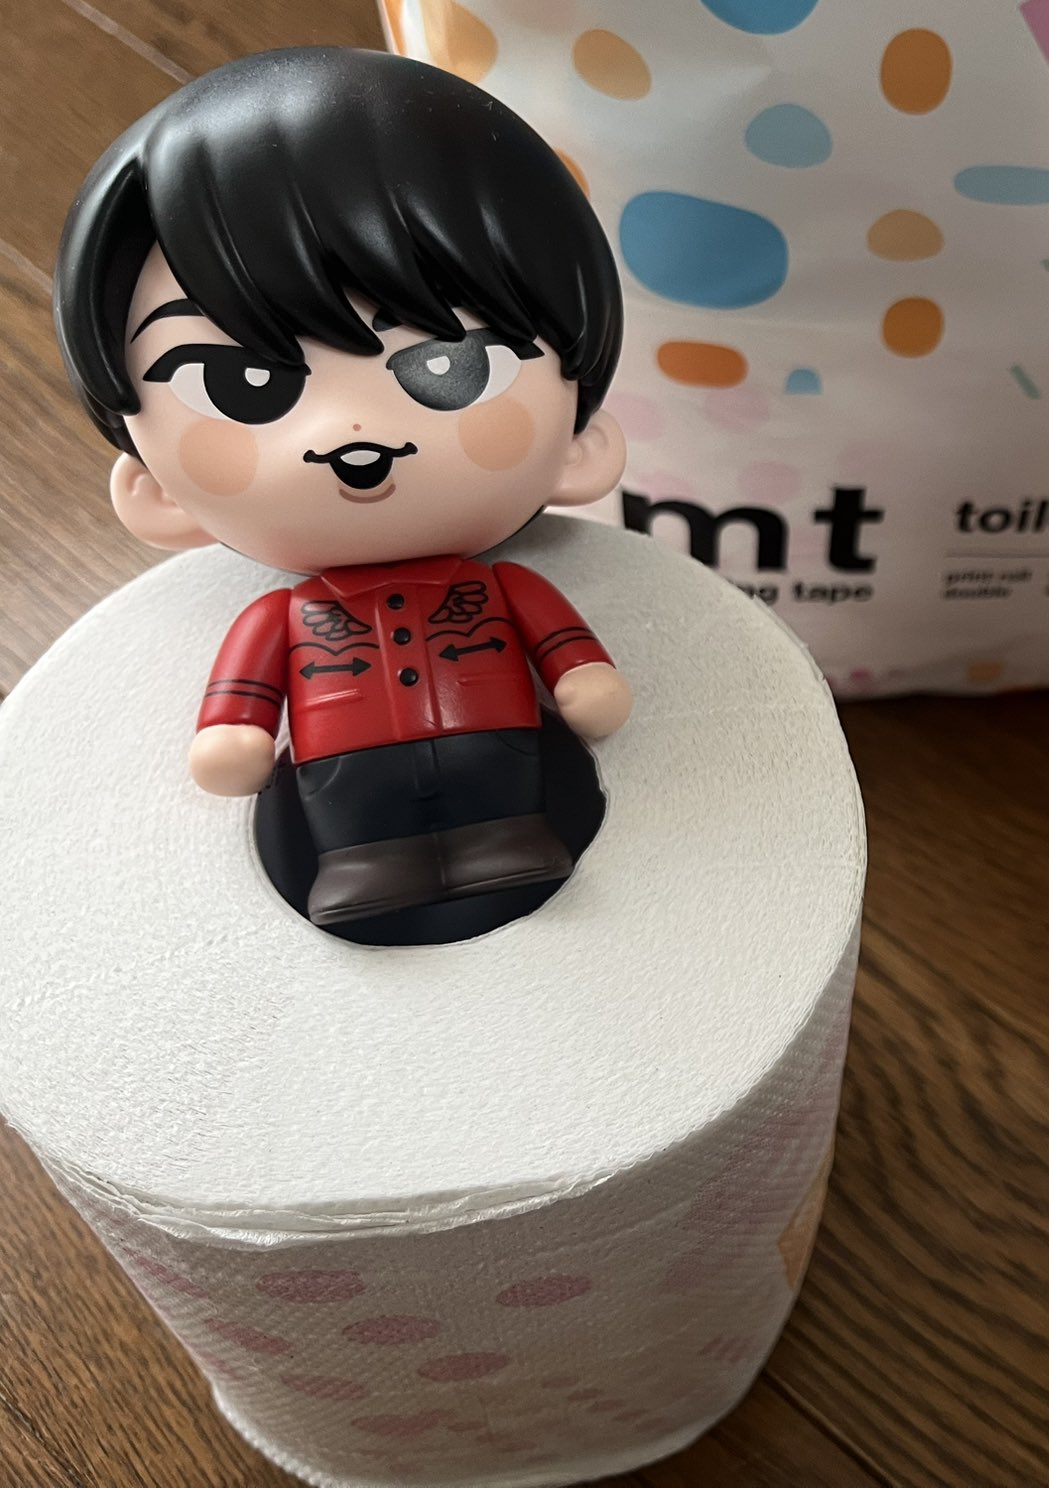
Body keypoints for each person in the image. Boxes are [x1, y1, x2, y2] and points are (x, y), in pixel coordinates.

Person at [52, 46, 635, 928]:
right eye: (242, 386)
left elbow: (564, 648)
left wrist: (582, 673)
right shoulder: (278, 618)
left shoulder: (505, 586)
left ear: (579, 447)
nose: (349, 434)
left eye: (450, 365)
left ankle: (504, 840)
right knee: (360, 828)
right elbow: (245, 698)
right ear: (155, 492)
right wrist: (235, 733)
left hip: (493, 742)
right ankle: (366, 866)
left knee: (502, 806)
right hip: (346, 769)